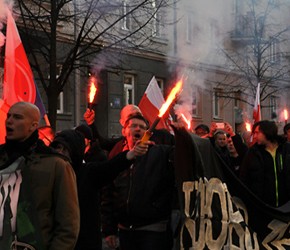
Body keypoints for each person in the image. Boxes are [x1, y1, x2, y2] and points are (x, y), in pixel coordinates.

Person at [50, 128, 151, 250]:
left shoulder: (89, 172)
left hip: (85, 241)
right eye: (57, 148)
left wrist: (132, 153)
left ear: (74, 150)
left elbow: (111, 166)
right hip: (56, 240)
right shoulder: (49, 174)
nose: (59, 152)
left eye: (64, 149)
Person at [0, 101, 80, 249]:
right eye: (9, 116)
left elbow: (68, 224)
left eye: (17, 117)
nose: (9, 121)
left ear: (33, 125)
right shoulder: (2, 159)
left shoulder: (56, 165)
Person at [101, 113, 175, 250]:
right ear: (124, 131)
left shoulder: (160, 154)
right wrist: (109, 230)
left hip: (153, 230)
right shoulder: (117, 160)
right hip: (125, 231)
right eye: (133, 126)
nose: (138, 129)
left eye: (142, 127)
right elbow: (108, 195)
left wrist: (181, 136)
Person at [240, 120, 290, 207]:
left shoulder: (286, 149)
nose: (254, 136)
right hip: (262, 207)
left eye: (257, 133)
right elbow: (244, 177)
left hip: (286, 207)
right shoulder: (253, 153)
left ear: (267, 132)